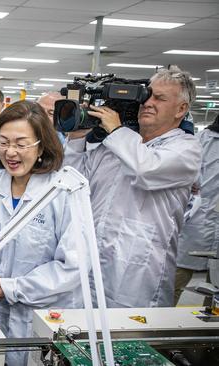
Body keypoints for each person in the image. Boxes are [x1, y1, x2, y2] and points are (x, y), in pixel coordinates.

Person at [64, 65, 202, 308]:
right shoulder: (115, 145)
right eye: (147, 97)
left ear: (181, 109)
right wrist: (77, 137)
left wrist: (116, 129)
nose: (148, 103)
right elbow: (73, 181)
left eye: (160, 98)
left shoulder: (186, 149)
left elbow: (146, 170)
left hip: (138, 274)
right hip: (91, 263)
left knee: (131, 338)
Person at [0, 101, 86, 366]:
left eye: (21, 144)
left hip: (40, 315)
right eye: (4, 142)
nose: (11, 152)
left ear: (41, 146)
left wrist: (12, 288)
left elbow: (72, 265)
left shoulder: (63, 192)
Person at [175, 115, 219, 304]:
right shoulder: (204, 140)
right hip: (198, 221)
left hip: (209, 223)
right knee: (176, 280)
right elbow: (187, 172)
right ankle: (159, 322)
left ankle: (210, 326)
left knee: (215, 290)